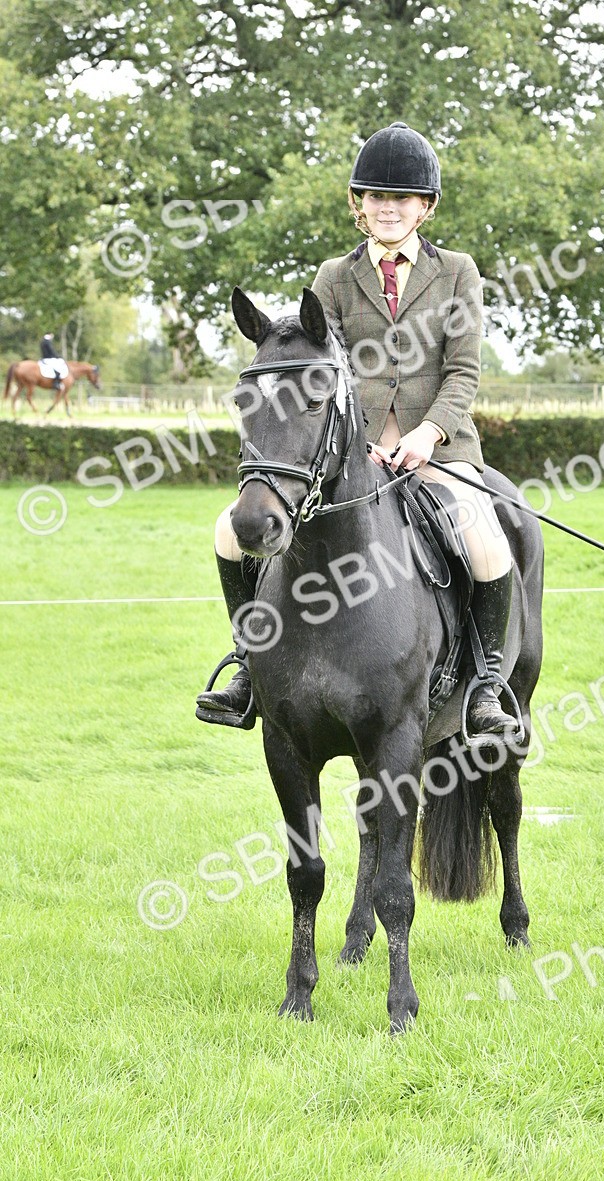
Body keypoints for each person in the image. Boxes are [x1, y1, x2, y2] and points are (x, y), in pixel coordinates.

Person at [197, 121, 516, 736]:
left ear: (424, 207)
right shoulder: (334, 277)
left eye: (402, 199)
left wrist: (427, 436)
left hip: (438, 451)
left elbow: (462, 371)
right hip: (352, 457)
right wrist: (353, 443)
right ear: (359, 206)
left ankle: (485, 684)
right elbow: (323, 369)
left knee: (484, 536)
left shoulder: (457, 272)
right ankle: (247, 663)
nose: (388, 208)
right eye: (376, 197)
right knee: (227, 531)